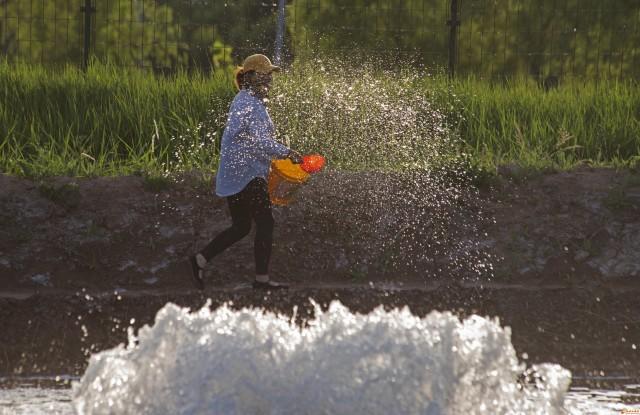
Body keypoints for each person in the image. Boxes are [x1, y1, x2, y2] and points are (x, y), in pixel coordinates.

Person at [189, 54, 302, 291]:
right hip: (247, 172)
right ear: (250, 77)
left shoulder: (242, 100)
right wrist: (289, 153)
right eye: (265, 76)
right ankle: (262, 280)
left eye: (270, 76)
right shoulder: (251, 105)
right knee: (266, 223)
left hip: (235, 172)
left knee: (242, 226)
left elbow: (251, 141)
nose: (269, 81)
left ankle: (200, 259)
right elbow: (262, 142)